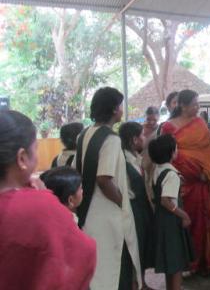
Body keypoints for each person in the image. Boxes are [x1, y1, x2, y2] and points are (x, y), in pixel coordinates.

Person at [0, 110, 96, 289]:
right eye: (35, 149)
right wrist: (45, 195)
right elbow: (84, 253)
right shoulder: (39, 206)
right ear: (22, 158)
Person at [75, 87, 142, 290]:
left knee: (97, 272)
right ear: (114, 109)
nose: (122, 109)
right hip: (107, 214)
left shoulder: (84, 134)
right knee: (113, 271)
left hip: (86, 211)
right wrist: (122, 202)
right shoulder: (112, 139)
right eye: (120, 106)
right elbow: (104, 179)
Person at [161, 89, 210, 275]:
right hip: (179, 183)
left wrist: (205, 171)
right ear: (182, 105)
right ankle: (188, 264)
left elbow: (207, 150)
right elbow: (168, 154)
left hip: (201, 182)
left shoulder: (200, 123)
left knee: (203, 222)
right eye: (194, 104)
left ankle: (204, 263)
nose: (197, 108)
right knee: (184, 224)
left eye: (198, 104)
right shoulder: (168, 127)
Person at [148, 134, 195, 290]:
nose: (177, 150)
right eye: (176, 147)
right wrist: (184, 215)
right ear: (171, 152)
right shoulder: (171, 175)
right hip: (171, 222)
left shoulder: (157, 169)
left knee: (170, 262)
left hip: (161, 220)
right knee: (176, 263)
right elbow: (165, 200)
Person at [119, 121, 154, 289]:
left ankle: (142, 282)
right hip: (132, 209)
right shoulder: (123, 161)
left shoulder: (136, 158)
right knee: (134, 246)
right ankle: (135, 283)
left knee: (143, 245)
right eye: (142, 135)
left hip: (142, 207)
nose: (144, 137)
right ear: (134, 140)